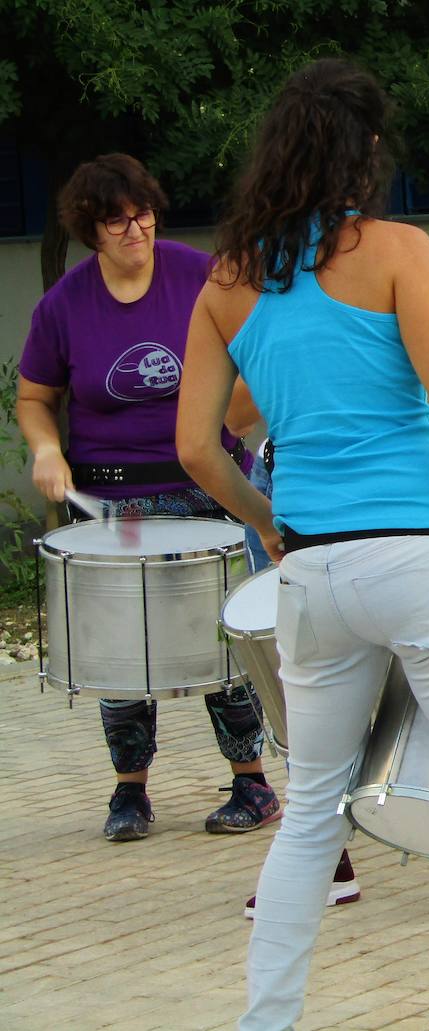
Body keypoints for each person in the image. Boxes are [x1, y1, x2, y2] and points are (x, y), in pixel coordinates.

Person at [175, 58, 429, 1029]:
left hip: (312, 569)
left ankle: (263, 1020)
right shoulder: (396, 247)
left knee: (312, 809)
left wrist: (267, 521)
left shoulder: (226, 279)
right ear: (363, 152)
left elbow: (196, 445)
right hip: (425, 554)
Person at [17, 153, 279, 843]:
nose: (135, 230)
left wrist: (228, 422)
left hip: (206, 488)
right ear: (90, 230)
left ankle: (251, 780)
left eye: (142, 214)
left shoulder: (201, 277)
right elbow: (36, 396)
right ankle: (129, 791)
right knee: (121, 651)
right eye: (116, 221)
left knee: (222, 639)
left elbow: (262, 355)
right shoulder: (64, 304)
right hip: (113, 502)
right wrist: (47, 449)